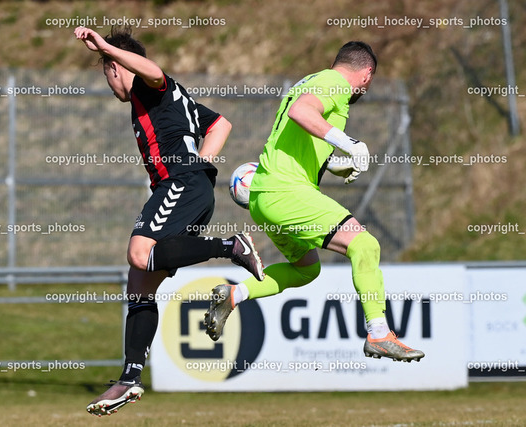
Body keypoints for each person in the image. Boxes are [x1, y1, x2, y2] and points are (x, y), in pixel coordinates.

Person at [73, 26, 264, 417]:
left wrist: (106, 46)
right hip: (192, 187)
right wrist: (203, 165)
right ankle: (129, 378)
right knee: (140, 285)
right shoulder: (180, 101)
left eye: (107, 72)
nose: (111, 86)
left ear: (115, 67)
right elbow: (221, 124)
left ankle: (230, 246)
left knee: (139, 251)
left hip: (179, 185)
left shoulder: (149, 87)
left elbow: (155, 71)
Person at [204, 41, 424, 363]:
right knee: (365, 246)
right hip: (286, 192)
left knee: (306, 270)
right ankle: (378, 333)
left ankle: (235, 294)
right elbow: (301, 113)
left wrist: (335, 163)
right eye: (370, 81)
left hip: (265, 198)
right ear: (366, 74)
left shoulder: (309, 81)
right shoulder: (334, 82)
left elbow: (298, 138)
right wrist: (350, 144)